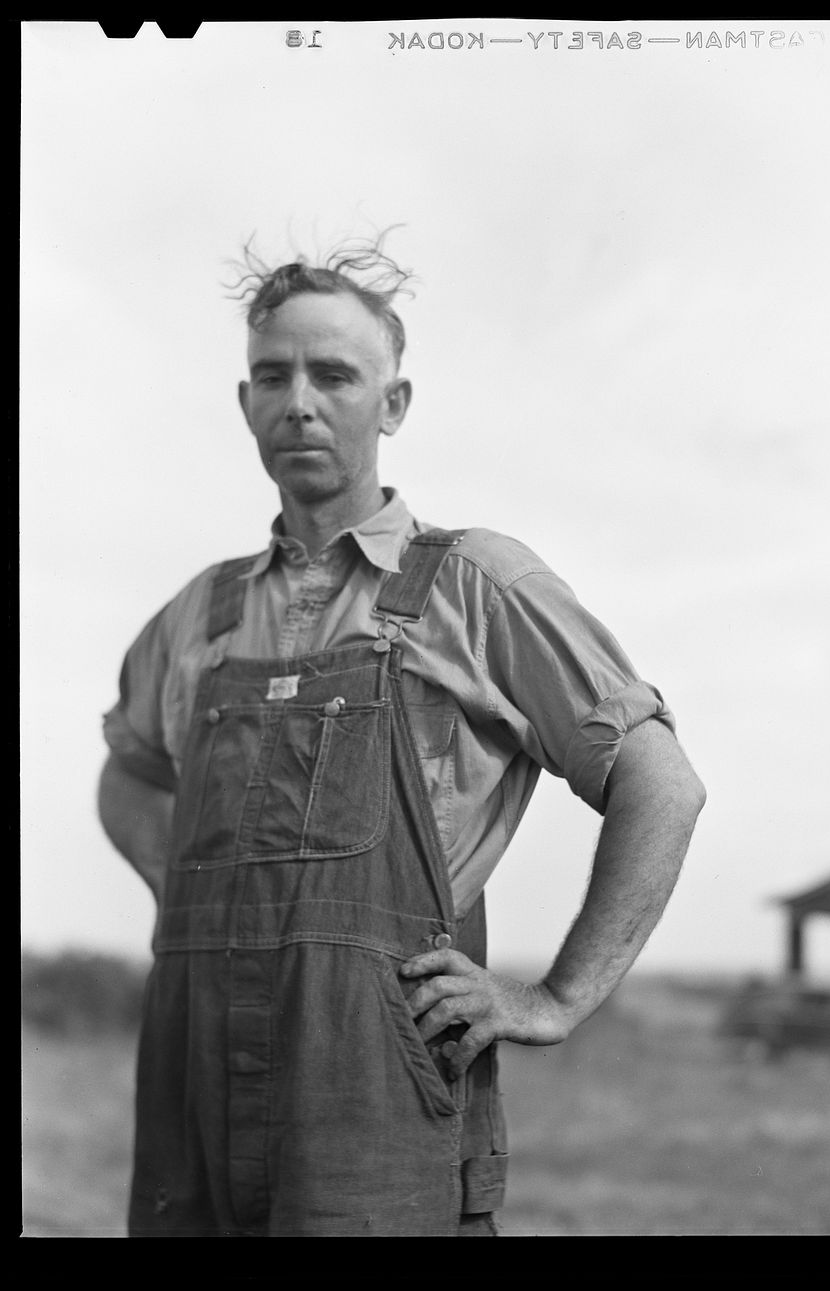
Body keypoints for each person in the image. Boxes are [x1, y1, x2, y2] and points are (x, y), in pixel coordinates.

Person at [97, 237, 706, 1238]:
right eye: (272, 376)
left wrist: (554, 998)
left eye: (334, 374)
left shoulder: (475, 585)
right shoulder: (194, 617)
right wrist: (182, 888)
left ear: (393, 403)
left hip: (374, 1094)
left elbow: (661, 783)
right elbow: (128, 773)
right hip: (191, 1086)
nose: (299, 400)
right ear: (244, 402)